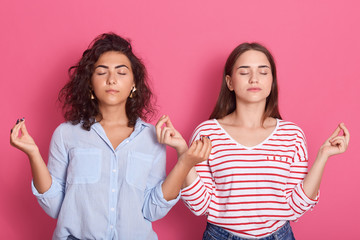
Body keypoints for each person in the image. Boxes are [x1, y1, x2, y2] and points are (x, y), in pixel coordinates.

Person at [10, 33, 208, 240]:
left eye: (121, 72)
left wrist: (185, 163)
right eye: (102, 72)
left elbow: (152, 209)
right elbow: (54, 207)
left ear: (134, 84)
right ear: (90, 84)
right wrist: (33, 154)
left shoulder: (152, 137)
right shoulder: (66, 134)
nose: (112, 79)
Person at [157, 42, 350, 240]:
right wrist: (183, 152)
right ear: (230, 82)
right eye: (244, 72)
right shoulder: (208, 133)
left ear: (272, 81)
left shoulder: (292, 135)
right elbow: (201, 205)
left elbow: (297, 206)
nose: (254, 79)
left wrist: (323, 156)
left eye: (263, 72)